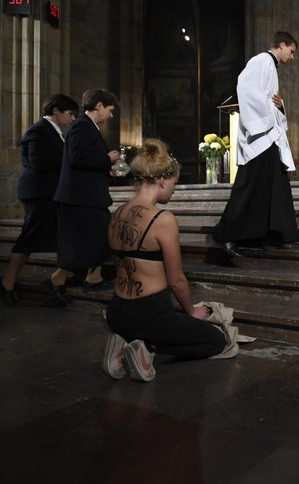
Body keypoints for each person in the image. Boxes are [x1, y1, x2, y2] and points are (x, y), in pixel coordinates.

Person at [103, 139, 226, 382]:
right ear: (161, 180)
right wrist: (192, 311)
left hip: (117, 311)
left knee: (172, 324)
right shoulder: (162, 219)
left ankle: (124, 344)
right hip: (150, 314)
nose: (174, 189)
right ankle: (147, 349)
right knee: (215, 341)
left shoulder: (117, 214)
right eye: (174, 183)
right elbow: (176, 280)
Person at [214, 31, 299, 256]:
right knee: (249, 185)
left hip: (269, 135)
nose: (292, 58)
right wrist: (268, 113)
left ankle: (275, 235)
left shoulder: (270, 65)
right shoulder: (261, 60)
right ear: (282, 45)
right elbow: (245, 89)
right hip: (260, 135)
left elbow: (269, 99)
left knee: (275, 187)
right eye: (291, 52)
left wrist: (279, 106)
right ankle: (228, 234)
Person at [1, 94, 78, 305]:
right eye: (70, 114)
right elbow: (38, 163)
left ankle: (58, 281)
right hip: (39, 193)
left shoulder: (55, 132)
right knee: (28, 238)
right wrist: (71, 158)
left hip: (49, 193)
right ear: (56, 111)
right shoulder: (37, 130)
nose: (72, 119)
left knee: (59, 235)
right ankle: (7, 283)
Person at [50, 89, 121, 304]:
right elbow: (78, 158)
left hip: (87, 196)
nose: (111, 115)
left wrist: (104, 167)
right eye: (110, 110)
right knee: (83, 242)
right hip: (79, 198)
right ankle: (57, 280)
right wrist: (106, 159)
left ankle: (94, 277)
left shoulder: (88, 126)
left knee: (99, 236)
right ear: (98, 105)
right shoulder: (82, 125)